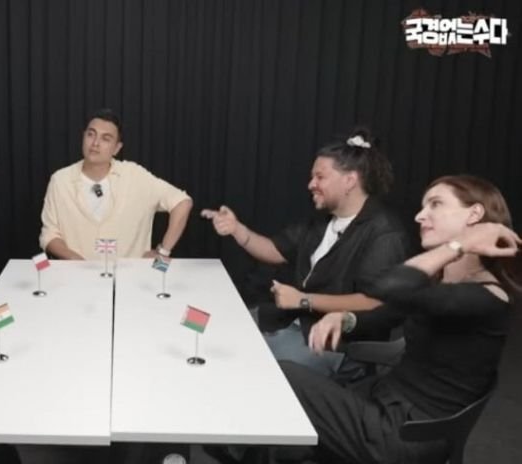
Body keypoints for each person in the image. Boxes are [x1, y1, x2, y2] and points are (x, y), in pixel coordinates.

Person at [282, 174, 521, 463]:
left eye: (435, 204)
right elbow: (388, 312)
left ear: (474, 214)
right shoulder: (442, 284)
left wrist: (459, 244)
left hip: (405, 434)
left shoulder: (489, 297)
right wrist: (343, 319)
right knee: (286, 437)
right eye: (423, 206)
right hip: (383, 402)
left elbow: (387, 286)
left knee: (281, 376)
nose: (420, 215)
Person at [202, 128, 410, 376]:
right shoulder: (322, 221)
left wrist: (303, 299)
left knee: (237, 361)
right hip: (291, 320)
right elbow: (275, 250)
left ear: (349, 181)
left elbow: (372, 301)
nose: (311, 184)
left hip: (333, 344)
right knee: (218, 332)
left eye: (320, 177)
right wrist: (237, 229)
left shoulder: (384, 232)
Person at [39, 108, 193, 260]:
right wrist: (75, 259)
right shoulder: (60, 180)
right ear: (83, 136)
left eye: (105, 139)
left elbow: (182, 202)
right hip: (76, 273)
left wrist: (163, 252)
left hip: (131, 274)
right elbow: (49, 234)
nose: (95, 143)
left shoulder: (135, 176)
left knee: (162, 270)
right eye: (91, 134)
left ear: (117, 148)